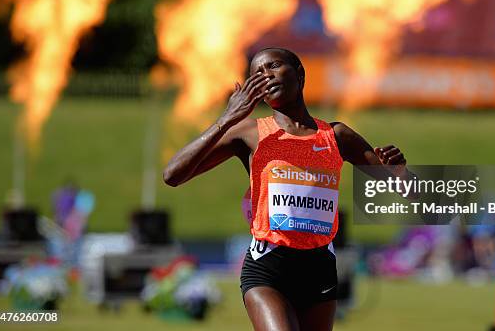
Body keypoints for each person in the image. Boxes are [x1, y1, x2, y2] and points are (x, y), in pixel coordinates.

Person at [163, 47, 409, 331]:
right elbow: (173, 174)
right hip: (268, 268)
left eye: (274, 66)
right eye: (257, 73)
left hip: (320, 270)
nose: (266, 75)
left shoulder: (336, 136)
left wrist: (401, 172)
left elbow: (410, 190)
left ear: (300, 74)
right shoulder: (249, 133)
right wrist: (226, 119)